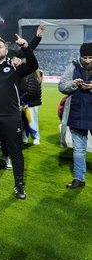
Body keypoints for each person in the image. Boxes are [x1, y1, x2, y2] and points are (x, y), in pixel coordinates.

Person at [0, 36, 38, 199]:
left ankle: (19, 185)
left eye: (0, 46)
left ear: (6, 51)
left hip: (11, 117)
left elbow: (34, 65)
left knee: (15, 152)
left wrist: (26, 48)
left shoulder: (15, 67)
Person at [58, 42, 92, 189]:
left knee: (79, 149)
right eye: (85, 57)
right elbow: (61, 86)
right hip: (77, 114)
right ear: (80, 56)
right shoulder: (73, 67)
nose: (88, 60)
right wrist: (73, 83)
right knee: (78, 149)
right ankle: (79, 179)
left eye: (91, 57)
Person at [21, 69, 43, 145]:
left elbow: (31, 91)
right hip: (30, 103)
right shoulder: (33, 75)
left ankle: (35, 138)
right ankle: (25, 138)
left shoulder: (31, 76)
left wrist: (22, 99)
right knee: (25, 121)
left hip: (30, 104)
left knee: (31, 122)